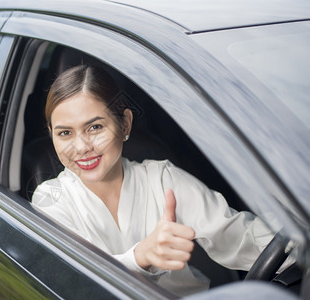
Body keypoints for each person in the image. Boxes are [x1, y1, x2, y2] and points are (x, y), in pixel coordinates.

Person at [32, 65, 279, 296]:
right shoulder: (51, 200)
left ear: (125, 123)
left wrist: (298, 236)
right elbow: (76, 282)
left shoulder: (162, 179)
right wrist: (140, 256)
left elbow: (240, 236)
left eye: (95, 127)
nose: (82, 147)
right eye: (65, 133)